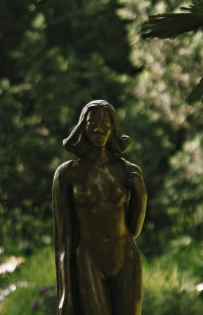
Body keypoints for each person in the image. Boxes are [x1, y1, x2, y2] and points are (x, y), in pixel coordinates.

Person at [52, 100, 147, 315]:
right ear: (83, 127)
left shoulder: (126, 171)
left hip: (125, 257)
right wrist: (65, 292)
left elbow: (133, 229)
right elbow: (63, 239)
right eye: (92, 123)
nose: (98, 129)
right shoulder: (68, 174)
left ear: (113, 127)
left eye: (105, 123)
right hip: (88, 260)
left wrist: (141, 195)